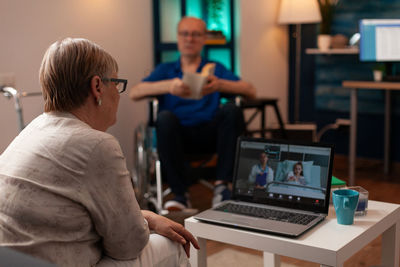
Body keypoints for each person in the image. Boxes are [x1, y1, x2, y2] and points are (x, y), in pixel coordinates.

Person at [0, 38, 199, 267]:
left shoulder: (32, 129)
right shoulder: (97, 144)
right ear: (97, 87)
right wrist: (147, 221)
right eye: (116, 83)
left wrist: (146, 216)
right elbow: (128, 246)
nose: (117, 92)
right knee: (171, 246)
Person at [130, 17, 256, 210]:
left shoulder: (215, 69)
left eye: (196, 34)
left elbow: (250, 90)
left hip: (210, 135)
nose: (189, 39)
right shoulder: (166, 70)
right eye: (185, 34)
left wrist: (220, 84)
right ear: (178, 38)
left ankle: (223, 187)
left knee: (232, 110)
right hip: (176, 136)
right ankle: (180, 194)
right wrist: (169, 86)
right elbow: (135, 92)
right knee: (164, 118)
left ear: (204, 39)